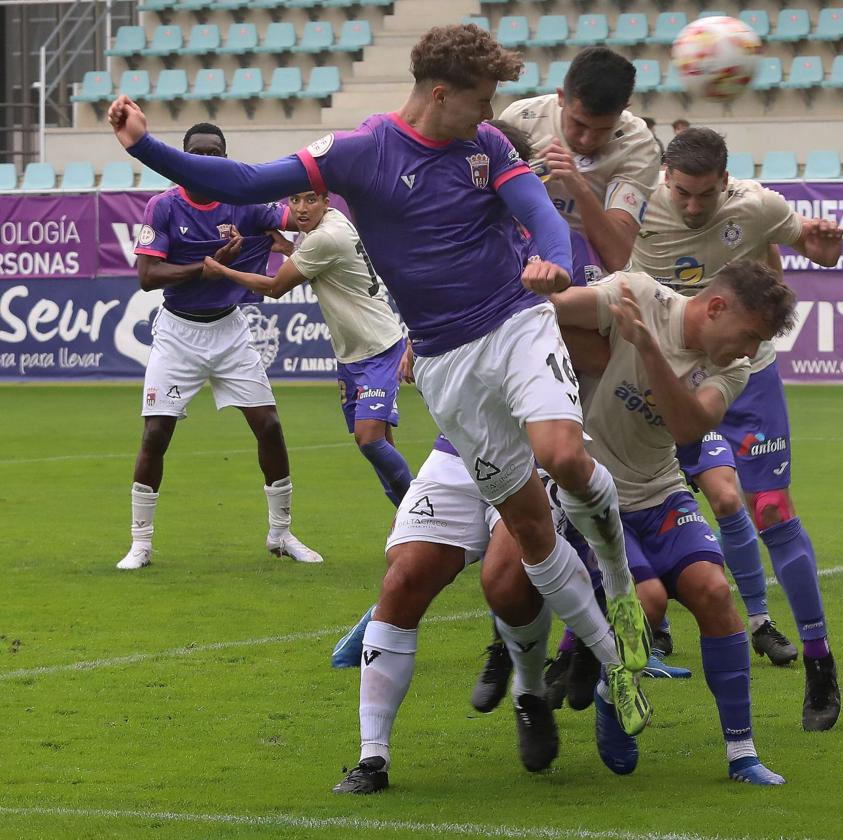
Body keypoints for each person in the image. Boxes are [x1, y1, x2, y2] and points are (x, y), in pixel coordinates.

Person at [109, 21, 653, 736]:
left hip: (517, 323)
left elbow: (536, 217)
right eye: (481, 100)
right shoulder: (360, 152)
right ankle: (615, 658)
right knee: (527, 526)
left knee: (562, 456)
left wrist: (549, 263)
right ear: (439, 94)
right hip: (445, 361)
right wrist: (143, 144)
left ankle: (618, 589)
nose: (491, 115)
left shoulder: (486, 148)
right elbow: (241, 180)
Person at [630, 127, 843, 731]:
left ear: (725, 181)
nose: (692, 207)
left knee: (770, 508)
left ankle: (819, 660)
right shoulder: (637, 203)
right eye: (682, 195)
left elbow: (813, 248)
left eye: (704, 195)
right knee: (620, 497)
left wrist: (825, 246)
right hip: (664, 379)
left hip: (746, 377)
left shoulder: (758, 205)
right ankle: (583, 653)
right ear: (665, 180)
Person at [552, 259, 796, 784]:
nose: (751, 352)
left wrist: (645, 348)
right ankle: (610, 693)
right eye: (749, 335)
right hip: (595, 494)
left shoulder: (732, 369)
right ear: (716, 307)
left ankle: (742, 754)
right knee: (647, 602)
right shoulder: (636, 292)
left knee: (713, 590)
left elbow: (687, 426)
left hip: (661, 490)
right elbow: (546, 310)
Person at [331, 431, 650, 793]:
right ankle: (373, 757)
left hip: (530, 452)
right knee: (402, 580)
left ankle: (529, 692)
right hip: (458, 449)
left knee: (507, 585)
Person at [117, 121, 321, 570]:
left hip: (229, 331)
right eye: (198, 154)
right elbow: (148, 277)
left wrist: (327, 202)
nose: (207, 162)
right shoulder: (164, 207)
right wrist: (205, 268)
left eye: (215, 155)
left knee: (268, 426)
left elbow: (299, 218)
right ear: (184, 159)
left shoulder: (244, 201)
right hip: (177, 333)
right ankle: (141, 544)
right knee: (155, 434)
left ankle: (281, 534)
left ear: (226, 160)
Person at [201, 190, 413, 508]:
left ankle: (424, 514)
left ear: (326, 201)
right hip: (351, 353)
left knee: (368, 439)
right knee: (379, 443)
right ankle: (411, 524)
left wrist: (221, 271)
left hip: (378, 348)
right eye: (295, 201)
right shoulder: (328, 226)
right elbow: (315, 262)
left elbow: (274, 288)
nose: (301, 208)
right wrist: (286, 247)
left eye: (311, 200)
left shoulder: (325, 237)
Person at [499, 46, 661, 273]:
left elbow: (616, 257)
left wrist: (580, 188)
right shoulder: (521, 118)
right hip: (515, 258)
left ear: (624, 109)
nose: (587, 140)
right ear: (561, 97)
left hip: (589, 273)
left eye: (603, 129)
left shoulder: (637, 145)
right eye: (579, 124)